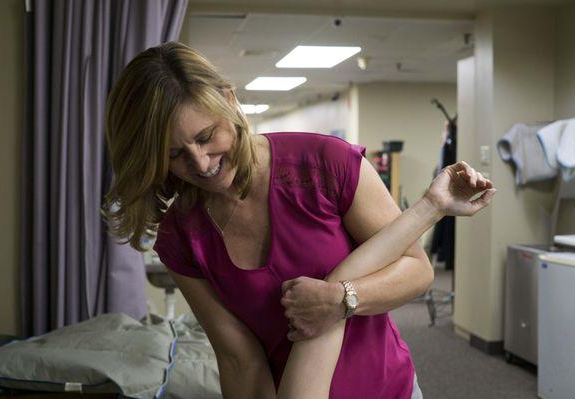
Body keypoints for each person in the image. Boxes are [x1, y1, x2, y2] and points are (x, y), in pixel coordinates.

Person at [103, 41, 496, 399]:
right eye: (175, 154)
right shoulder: (181, 235)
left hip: (386, 388)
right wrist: (430, 206)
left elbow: (415, 270)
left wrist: (342, 300)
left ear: (228, 100)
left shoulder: (328, 165)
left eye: (206, 136)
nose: (201, 164)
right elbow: (239, 358)